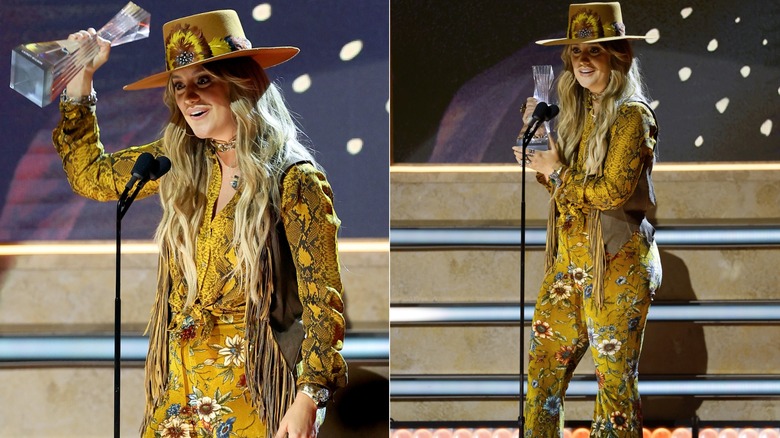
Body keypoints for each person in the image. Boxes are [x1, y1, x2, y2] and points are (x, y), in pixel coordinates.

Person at [53, 10, 347, 438]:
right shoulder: (179, 162)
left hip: (255, 387)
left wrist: (308, 400)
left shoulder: (294, 179)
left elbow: (323, 304)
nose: (189, 97)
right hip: (179, 389)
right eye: (179, 85)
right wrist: (81, 78)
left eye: (203, 80)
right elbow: (90, 175)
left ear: (241, 82)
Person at [511, 2, 662, 435]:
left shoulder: (633, 115)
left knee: (614, 386)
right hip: (569, 262)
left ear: (618, 57)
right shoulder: (578, 113)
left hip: (618, 262)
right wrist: (543, 156)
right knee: (542, 374)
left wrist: (556, 170)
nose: (582, 59)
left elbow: (611, 191)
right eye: (576, 51)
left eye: (593, 49)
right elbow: (570, 191)